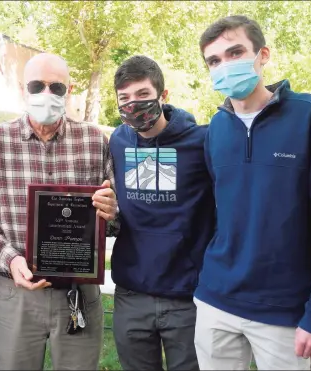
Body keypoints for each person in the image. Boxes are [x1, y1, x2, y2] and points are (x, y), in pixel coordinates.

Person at [194, 15, 311, 370]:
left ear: (263, 55)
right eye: (214, 61)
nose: (224, 65)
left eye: (235, 52)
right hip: (216, 302)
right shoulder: (216, 128)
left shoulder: (310, 116)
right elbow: (219, 212)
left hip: (285, 310)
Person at [0, 52, 118, 370]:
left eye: (56, 87)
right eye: (36, 86)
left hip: (78, 293)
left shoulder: (94, 141)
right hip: (15, 293)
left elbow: (117, 217)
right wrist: (11, 258)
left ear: (69, 90)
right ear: (23, 89)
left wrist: (112, 211)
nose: (46, 94)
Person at [108, 55, 215, 371]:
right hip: (131, 292)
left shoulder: (202, 142)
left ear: (163, 96)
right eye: (124, 98)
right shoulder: (118, 141)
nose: (133, 105)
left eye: (142, 95)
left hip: (186, 295)